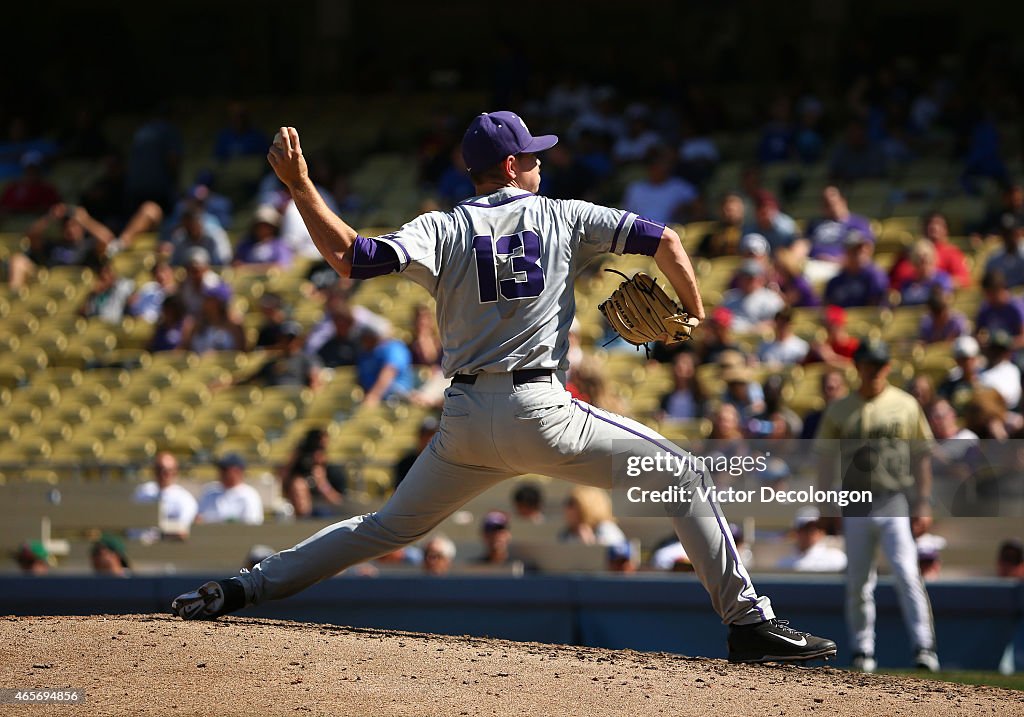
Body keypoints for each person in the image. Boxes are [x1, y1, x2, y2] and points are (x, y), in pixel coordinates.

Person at [172, 114, 836, 665]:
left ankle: (244, 585)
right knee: (685, 474)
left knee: (383, 527)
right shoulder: (563, 214)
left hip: (462, 419)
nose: (541, 165)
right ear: (515, 165)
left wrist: (302, 187)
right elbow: (667, 240)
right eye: (534, 157)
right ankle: (749, 623)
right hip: (540, 407)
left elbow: (351, 256)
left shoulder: (441, 225)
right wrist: (689, 312)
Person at [815, 339, 939, 673]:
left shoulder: (905, 404)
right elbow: (825, 460)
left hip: (893, 498)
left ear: (887, 367)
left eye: (879, 364)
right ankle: (862, 650)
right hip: (855, 500)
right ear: (858, 367)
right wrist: (825, 503)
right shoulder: (841, 408)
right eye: (868, 364)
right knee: (858, 580)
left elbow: (922, 454)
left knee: (907, 575)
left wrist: (923, 502)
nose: (874, 370)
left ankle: (924, 646)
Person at [8, 203, 110, 289]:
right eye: (66, 226)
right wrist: (50, 217)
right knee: (18, 260)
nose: (70, 229)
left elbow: (107, 240)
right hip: (50, 287)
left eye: (74, 225)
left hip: (78, 289)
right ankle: (14, 301)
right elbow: (30, 236)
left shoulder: (88, 246)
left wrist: (85, 219)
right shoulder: (52, 245)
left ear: (82, 228)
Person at [279, 428, 346, 518]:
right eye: (314, 449)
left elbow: (338, 502)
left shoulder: (333, 472)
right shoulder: (297, 471)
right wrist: (292, 462)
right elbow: (282, 479)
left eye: (321, 449)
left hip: (322, 513)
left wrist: (322, 484)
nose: (315, 455)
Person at [621, 146, 697, 224]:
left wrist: (686, 211)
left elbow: (698, 207)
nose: (660, 168)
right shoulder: (635, 188)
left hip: (671, 232)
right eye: (656, 164)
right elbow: (627, 216)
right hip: (641, 232)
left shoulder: (680, 187)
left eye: (663, 164)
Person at [133, 451, 199, 537]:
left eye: (167, 471)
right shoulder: (142, 492)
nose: (162, 475)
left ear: (175, 472)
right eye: (158, 469)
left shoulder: (185, 499)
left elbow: (182, 531)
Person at [806, 186, 874, 262]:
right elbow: (803, 244)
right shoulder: (814, 223)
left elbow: (865, 249)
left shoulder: (859, 222)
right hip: (812, 264)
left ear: (843, 201)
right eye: (826, 204)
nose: (831, 207)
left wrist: (838, 261)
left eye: (833, 203)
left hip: (842, 267)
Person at [356, 321, 415, 407]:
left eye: (367, 337)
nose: (364, 341)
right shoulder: (365, 354)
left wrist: (374, 395)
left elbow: (389, 371)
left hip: (396, 399)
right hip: (376, 401)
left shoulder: (394, 347)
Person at [823, 232, 889, 308]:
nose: (860, 253)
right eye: (855, 250)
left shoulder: (875, 276)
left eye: (863, 250)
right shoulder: (836, 281)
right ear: (846, 252)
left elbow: (875, 309)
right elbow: (827, 307)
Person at [196, 454, 264, 525]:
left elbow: (251, 526)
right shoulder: (209, 491)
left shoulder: (249, 495)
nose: (222, 473)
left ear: (238, 471)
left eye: (225, 470)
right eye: (221, 469)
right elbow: (198, 517)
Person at [719, 260, 785, 334]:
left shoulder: (772, 299)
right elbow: (719, 319)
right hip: (731, 338)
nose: (747, 281)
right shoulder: (729, 297)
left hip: (759, 340)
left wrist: (758, 328)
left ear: (761, 279)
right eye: (744, 277)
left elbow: (780, 322)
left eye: (751, 278)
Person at [180, 283, 246, 354]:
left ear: (220, 302)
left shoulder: (234, 326)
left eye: (210, 299)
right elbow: (186, 350)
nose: (205, 302)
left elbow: (241, 355)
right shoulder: (196, 324)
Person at [776, 508, 848, 572]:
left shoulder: (837, 559)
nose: (812, 532)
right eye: (806, 528)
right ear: (796, 532)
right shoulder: (784, 564)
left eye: (817, 527)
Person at [559, 486, 626, 547]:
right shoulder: (566, 534)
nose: (566, 508)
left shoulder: (606, 529)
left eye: (571, 503)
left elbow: (616, 555)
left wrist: (591, 545)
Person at [233, 205, 292, 270]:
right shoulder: (245, 245)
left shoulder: (279, 245)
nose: (262, 229)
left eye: (266, 226)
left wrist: (249, 268)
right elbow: (236, 263)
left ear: (273, 227)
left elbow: (282, 265)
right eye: (260, 225)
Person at [78, 259, 135, 324]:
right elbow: (83, 311)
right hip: (96, 325)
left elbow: (133, 299)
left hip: (113, 325)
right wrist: (91, 294)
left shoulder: (123, 285)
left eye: (108, 271)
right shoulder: (93, 293)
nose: (106, 275)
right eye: (102, 275)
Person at [978, 331, 1021, 410]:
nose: (997, 353)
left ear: (1007, 352)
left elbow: (1009, 398)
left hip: (1003, 413)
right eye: (994, 349)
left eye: (1001, 350)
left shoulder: (1011, 370)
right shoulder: (980, 368)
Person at [937, 336, 981, 413]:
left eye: (970, 359)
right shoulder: (947, 387)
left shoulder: (986, 383)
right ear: (957, 361)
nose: (967, 363)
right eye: (962, 360)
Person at [658, 351, 703, 421]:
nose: (680, 365)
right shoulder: (666, 398)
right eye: (677, 363)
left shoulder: (700, 397)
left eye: (685, 363)